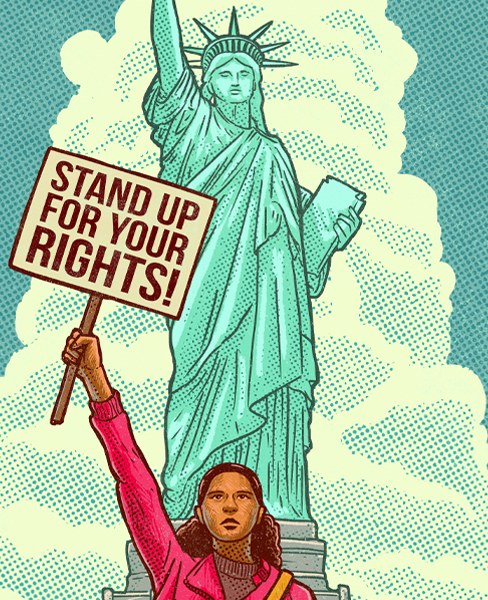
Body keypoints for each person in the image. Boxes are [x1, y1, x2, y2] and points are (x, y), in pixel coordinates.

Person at [145, 0, 362, 521]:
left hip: (271, 311)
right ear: (207, 83)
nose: (237, 81)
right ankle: (188, 507)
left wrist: (326, 232)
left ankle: (273, 511)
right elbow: (168, 53)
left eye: (247, 72)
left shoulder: (272, 153)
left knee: (269, 403)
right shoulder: (191, 129)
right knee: (196, 393)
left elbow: (293, 256)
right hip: (205, 295)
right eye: (223, 72)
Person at [63, 330, 316, 600]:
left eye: (242, 497)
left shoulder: (293, 595)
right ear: (200, 512)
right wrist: (96, 379)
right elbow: (138, 487)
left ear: (258, 512)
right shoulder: (176, 573)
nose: (229, 506)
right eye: (217, 497)